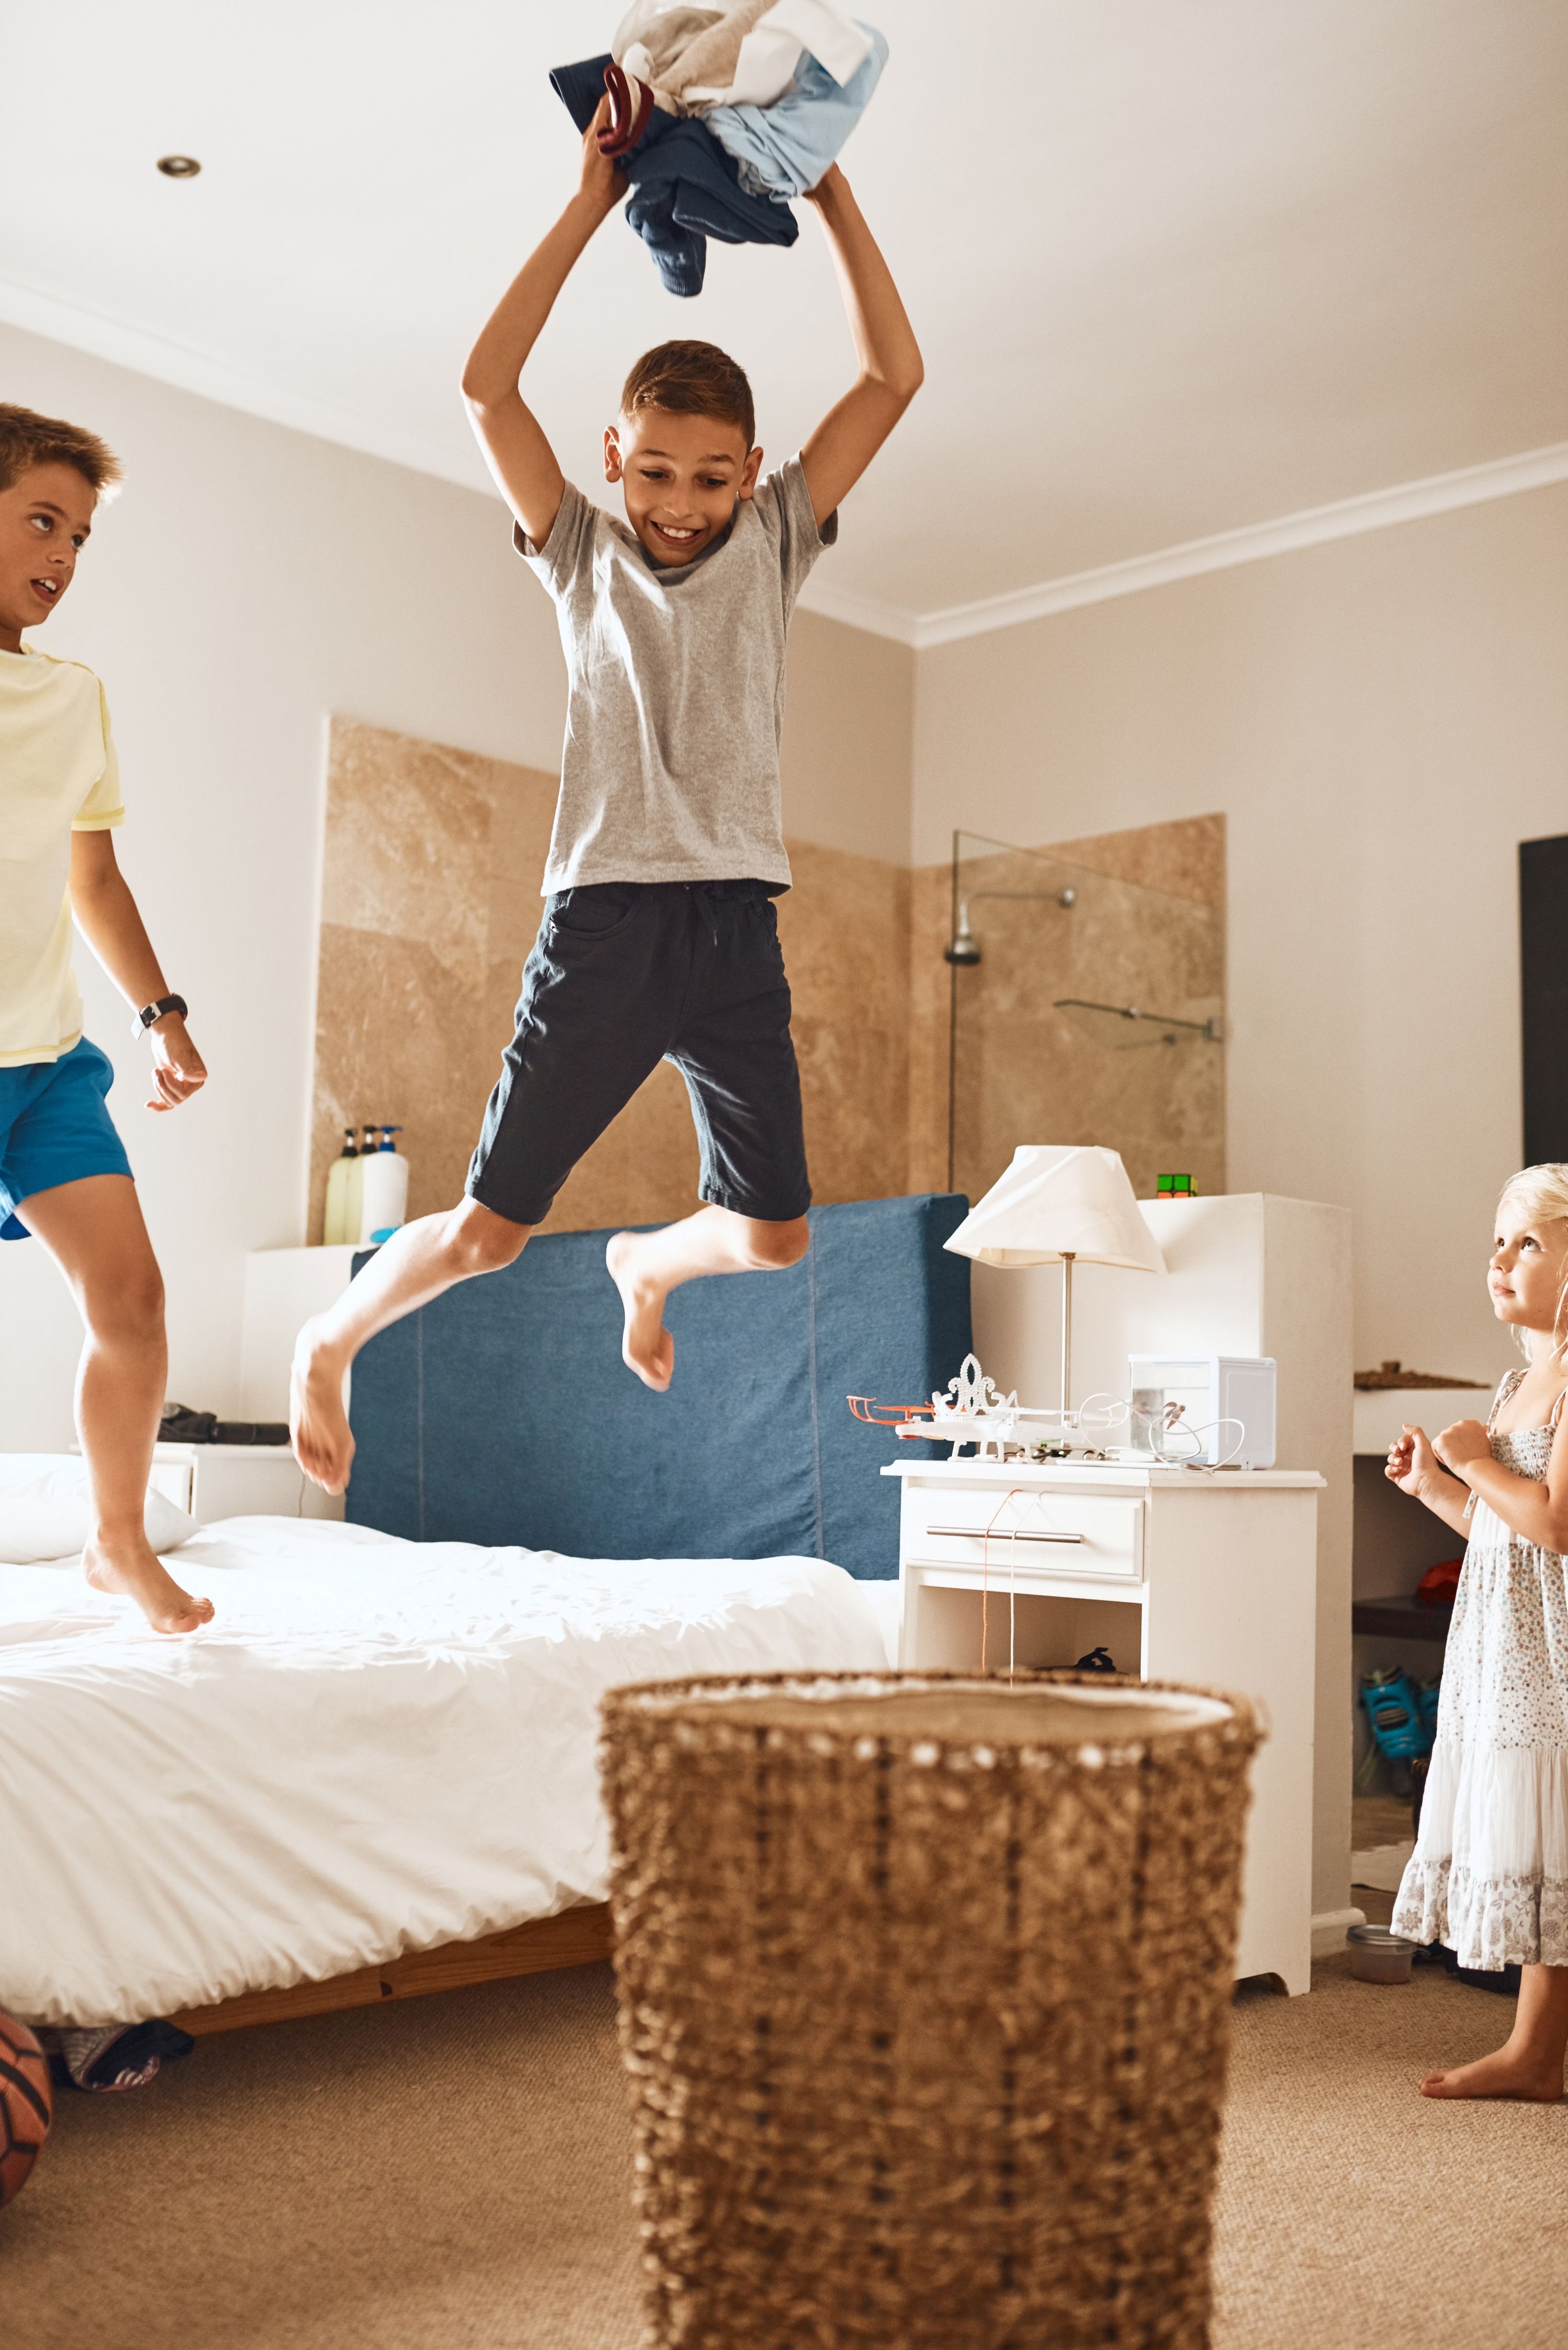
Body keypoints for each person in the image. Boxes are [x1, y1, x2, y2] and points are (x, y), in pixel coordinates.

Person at [290, 107, 921, 1496]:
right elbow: (482, 390)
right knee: (489, 1233)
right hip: (606, 927)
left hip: (735, 932)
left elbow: (893, 375)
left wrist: (837, 200)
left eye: (709, 478)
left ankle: (648, 1261)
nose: (680, 504)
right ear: (613, 455)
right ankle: (331, 1340)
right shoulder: (580, 553)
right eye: (652, 471)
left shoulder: (776, 544)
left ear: (751, 476)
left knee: (774, 1239)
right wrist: (587, 202)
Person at [0, 405, 212, 1634]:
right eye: (41, 519)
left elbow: (94, 879)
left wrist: (161, 1015)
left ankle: (117, 1544)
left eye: (77, 535)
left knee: (131, 1305)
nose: (64, 555)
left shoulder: (74, 699)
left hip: (44, 1067)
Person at [1388, 1163, 1568, 2097]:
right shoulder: (1517, 1381)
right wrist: (1439, 1485)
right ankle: (1538, 2053)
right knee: (1547, 1843)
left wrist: (1471, 1456)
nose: (1501, 1260)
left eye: (1529, 1243)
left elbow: (1556, 1524)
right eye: (1498, 1241)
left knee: (1560, 1822)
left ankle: (1538, 2050)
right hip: (1508, 1643)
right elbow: (1499, 1529)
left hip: (1557, 1646)